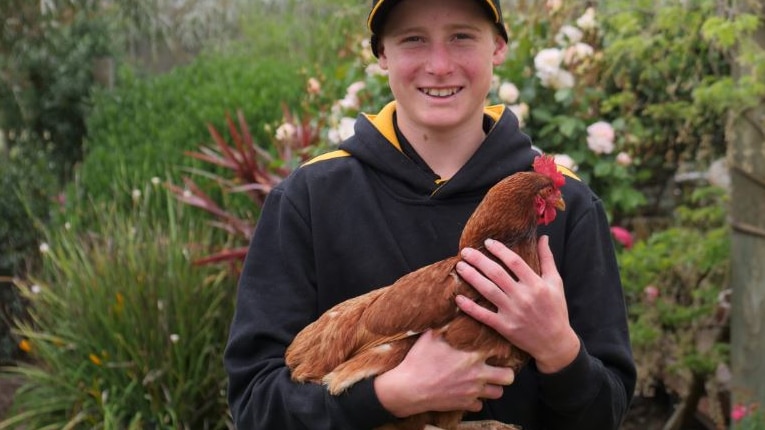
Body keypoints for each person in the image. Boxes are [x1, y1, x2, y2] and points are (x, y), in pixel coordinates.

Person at [224, 0, 636, 428]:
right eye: (413, 39)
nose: (439, 66)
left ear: (497, 46)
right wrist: (388, 396)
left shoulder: (567, 204)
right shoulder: (309, 198)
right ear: (382, 54)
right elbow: (255, 405)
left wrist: (557, 349)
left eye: (461, 36)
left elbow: (606, 411)